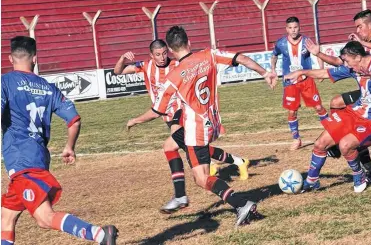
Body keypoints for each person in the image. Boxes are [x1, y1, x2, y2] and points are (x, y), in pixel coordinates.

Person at [151, 25, 276, 226]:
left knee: (201, 178)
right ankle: (190, 195)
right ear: (189, 42)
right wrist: (264, 72)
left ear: (171, 51)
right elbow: (241, 58)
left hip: (195, 128)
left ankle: (240, 202)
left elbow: (156, 110)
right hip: (210, 123)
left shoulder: (175, 73)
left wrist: (135, 120)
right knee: (173, 147)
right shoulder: (210, 55)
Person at [1, 36, 118, 245]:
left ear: (10, 58)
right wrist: (69, 147)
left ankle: (100, 234)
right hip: (37, 157)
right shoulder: (47, 87)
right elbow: (74, 120)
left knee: (45, 218)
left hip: (22, 162)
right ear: (35, 58)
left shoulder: (5, 82)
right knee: (5, 220)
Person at [115, 40, 249, 214]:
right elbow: (117, 72)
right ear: (151, 55)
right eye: (158, 54)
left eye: (164, 53)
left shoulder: (178, 65)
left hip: (181, 113)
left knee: (175, 148)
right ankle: (237, 161)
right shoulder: (145, 67)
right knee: (185, 148)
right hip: (167, 116)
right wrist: (122, 59)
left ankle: (182, 196)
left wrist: (135, 120)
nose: (162, 57)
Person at [285, 41, 371, 193]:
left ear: (357, 57)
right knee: (320, 144)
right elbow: (325, 73)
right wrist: (301, 72)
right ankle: (311, 181)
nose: (347, 66)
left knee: (345, 145)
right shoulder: (352, 67)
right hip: (355, 112)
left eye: (348, 61)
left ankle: (359, 174)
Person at [319, 10, 371, 182]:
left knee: (357, 129)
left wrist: (361, 43)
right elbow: (340, 62)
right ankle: (340, 139)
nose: (358, 31)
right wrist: (318, 53)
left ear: (370, 25)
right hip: (365, 90)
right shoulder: (362, 43)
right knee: (336, 102)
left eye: (360, 27)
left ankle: (343, 146)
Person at [270, 16, 328, 151]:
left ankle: (332, 132)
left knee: (319, 107)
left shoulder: (307, 41)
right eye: (290, 28)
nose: (293, 30)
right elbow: (274, 56)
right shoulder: (281, 43)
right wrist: (273, 70)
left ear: (299, 27)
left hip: (307, 79)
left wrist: (320, 70)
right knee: (292, 111)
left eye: (295, 27)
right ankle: (296, 139)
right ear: (286, 29)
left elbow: (317, 53)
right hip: (290, 82)